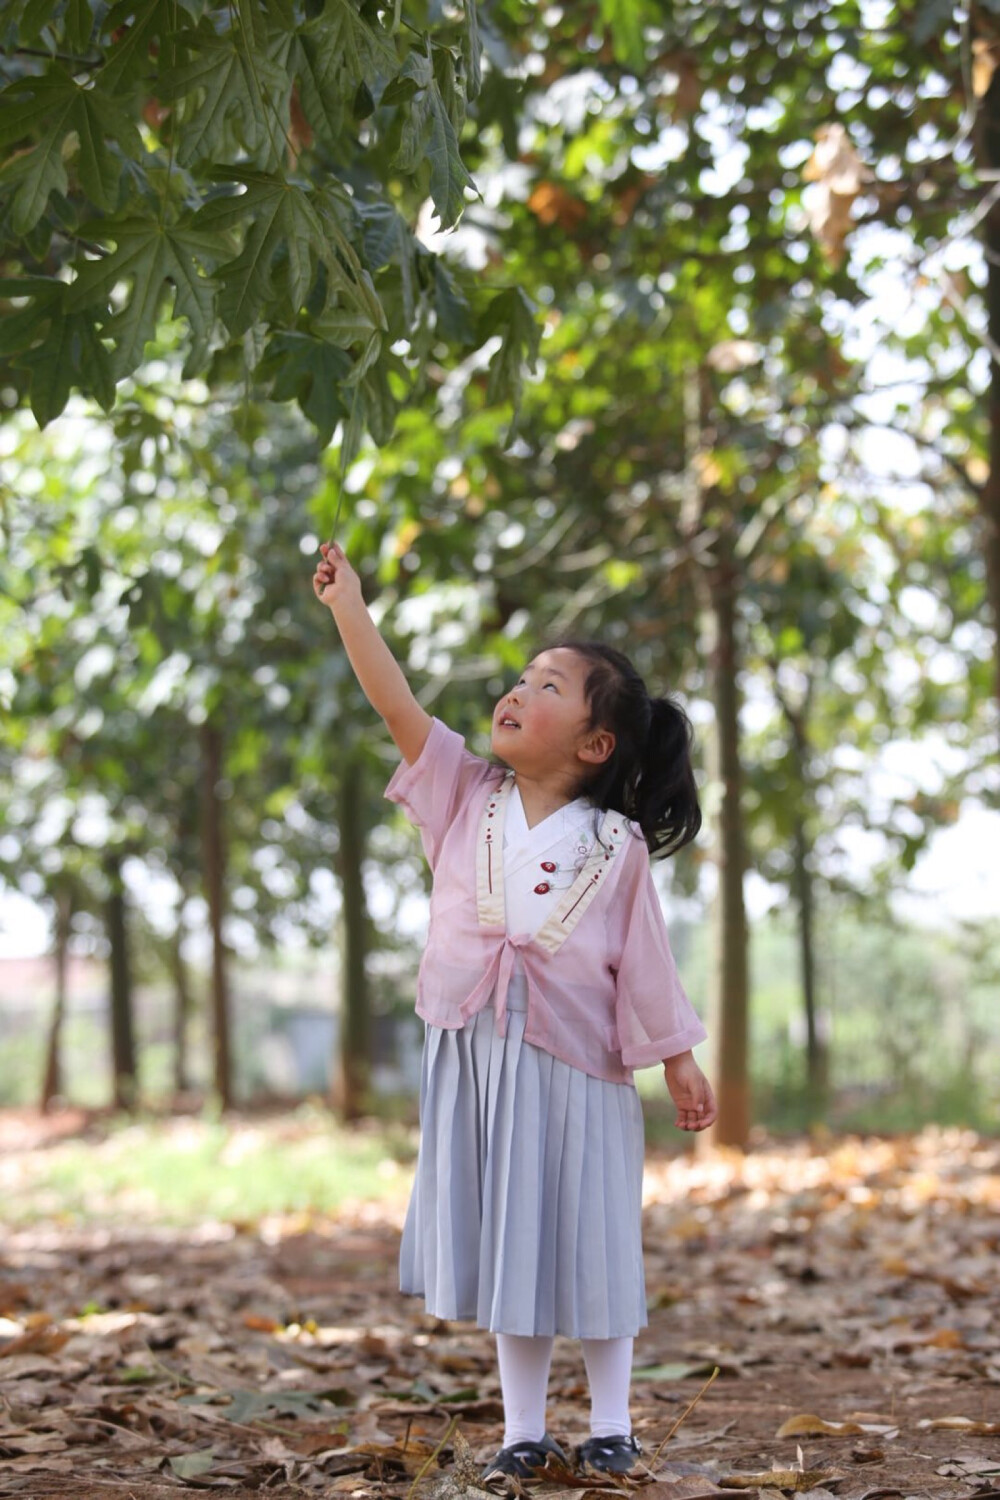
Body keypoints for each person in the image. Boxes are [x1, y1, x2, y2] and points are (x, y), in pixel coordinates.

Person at [313, 541, 717, 1480]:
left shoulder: (614, 846)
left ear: (594, 745)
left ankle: (612, 1424)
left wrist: (678, 1058)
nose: (519, 692)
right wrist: (350, 608)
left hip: (579, 1072)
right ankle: (522, 1433)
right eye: (522, 678)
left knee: (594, 1247)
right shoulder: (462, 793)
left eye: (549, 687)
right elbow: (394, 702)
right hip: (480, 1066)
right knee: (514, 1256)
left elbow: (644, 963)